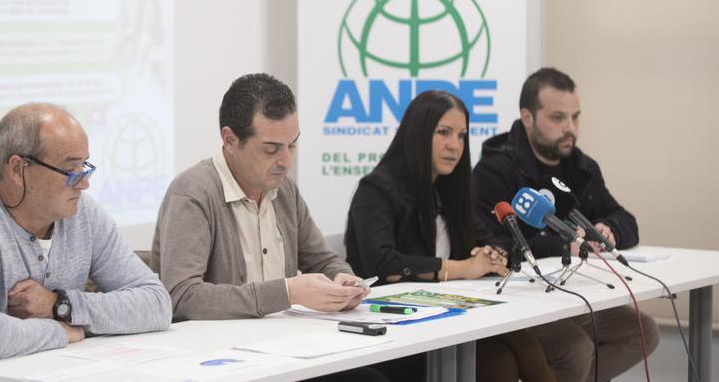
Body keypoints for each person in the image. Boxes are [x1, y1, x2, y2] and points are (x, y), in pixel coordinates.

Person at [0, 103, 171, 382]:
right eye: (70, 169)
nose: (84, 183)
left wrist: (60, 305)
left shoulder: (81, 213)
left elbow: (157, 304)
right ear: (18, 169)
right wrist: (61, 331)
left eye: (84, 166)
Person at [152, 73, 386, 382]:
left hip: (284, 354)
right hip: (221, 364)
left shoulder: (284, 190)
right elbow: (180, 296)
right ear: (230, 139)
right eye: (271, 149)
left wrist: (343, 281)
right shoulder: (194, 193)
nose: (286, 161)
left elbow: (322, 259)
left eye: (292, 145)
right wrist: (287, 292)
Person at [345, 90, 557, 382]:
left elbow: (487, 238)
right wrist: (461, 268)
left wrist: (493, 255)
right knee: (498, 361)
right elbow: (383, 264)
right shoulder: (377, 190)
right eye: (444, 133)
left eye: (461, 136)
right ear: (418, 134)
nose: (454, 146)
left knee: (520, 345)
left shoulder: (450, 188)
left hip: (447, 317)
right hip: (393, 325)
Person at [472, 67, 659, 382]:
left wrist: (609, 227)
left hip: (573, 294)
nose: (570, 128)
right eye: (558, 118)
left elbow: (626, 220)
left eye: (576, 117)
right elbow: (489, 242)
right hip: (520, 300)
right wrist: (562, 246)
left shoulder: (580, 167)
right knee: (575, 349)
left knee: (643, 331)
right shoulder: (494, 170)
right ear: (527, 117)